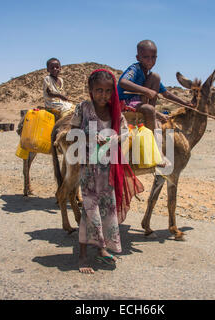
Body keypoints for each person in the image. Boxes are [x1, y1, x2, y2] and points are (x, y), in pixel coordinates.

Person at [70, 69, 144, 274]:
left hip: (108, 168)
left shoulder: (115, 111)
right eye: (99, 90)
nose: (103, 95)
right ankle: (83, 255)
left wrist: (112, 139)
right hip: (88, 168)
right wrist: (89, 136)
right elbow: (72, 132)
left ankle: (102, 249)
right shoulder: (83, 108)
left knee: (107, 208)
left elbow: (124, 132)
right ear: (90, 90)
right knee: (89, 209)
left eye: (108, 91)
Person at [118, 40, 194, 167]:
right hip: (125, 102)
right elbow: (123, 82)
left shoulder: (149, 74)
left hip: (138, 102)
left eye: (153, 57)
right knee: (149, 108)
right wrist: (146, 91)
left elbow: (166, 94)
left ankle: (152, 112)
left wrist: (185, 103)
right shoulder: (135, 69)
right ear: (138, 57)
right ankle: (156, 152)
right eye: (146, 57)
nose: (150, 61)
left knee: (156, 77)